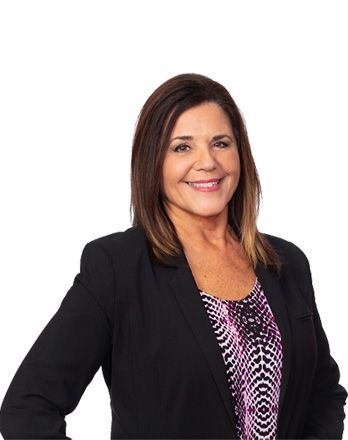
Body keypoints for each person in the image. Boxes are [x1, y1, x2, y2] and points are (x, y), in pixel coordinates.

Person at [0, 73, 347, 440]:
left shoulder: (286, 262)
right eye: (182, 147)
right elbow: (27, 408)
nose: (207, 162)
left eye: (221, 143)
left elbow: (323, 394)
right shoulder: (117, 267)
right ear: (154, 162)